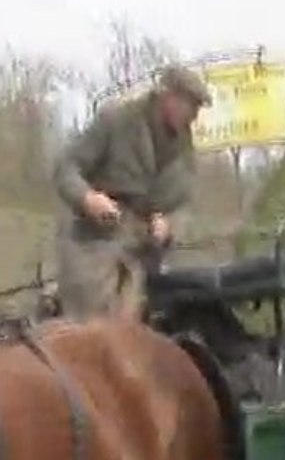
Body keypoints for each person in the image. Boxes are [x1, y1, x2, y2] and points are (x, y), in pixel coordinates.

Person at [53, 64, 212, 320]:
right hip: (95, 244)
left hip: (140, 254)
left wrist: (168, 224)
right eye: (190, 105)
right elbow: (66, 168)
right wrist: (88, 199)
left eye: (198, 107)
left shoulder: (183, 147)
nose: (194, 115)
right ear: (168, 96)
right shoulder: (117, 118)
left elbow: (183, 203)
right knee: (91, 331)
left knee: (136, 333)